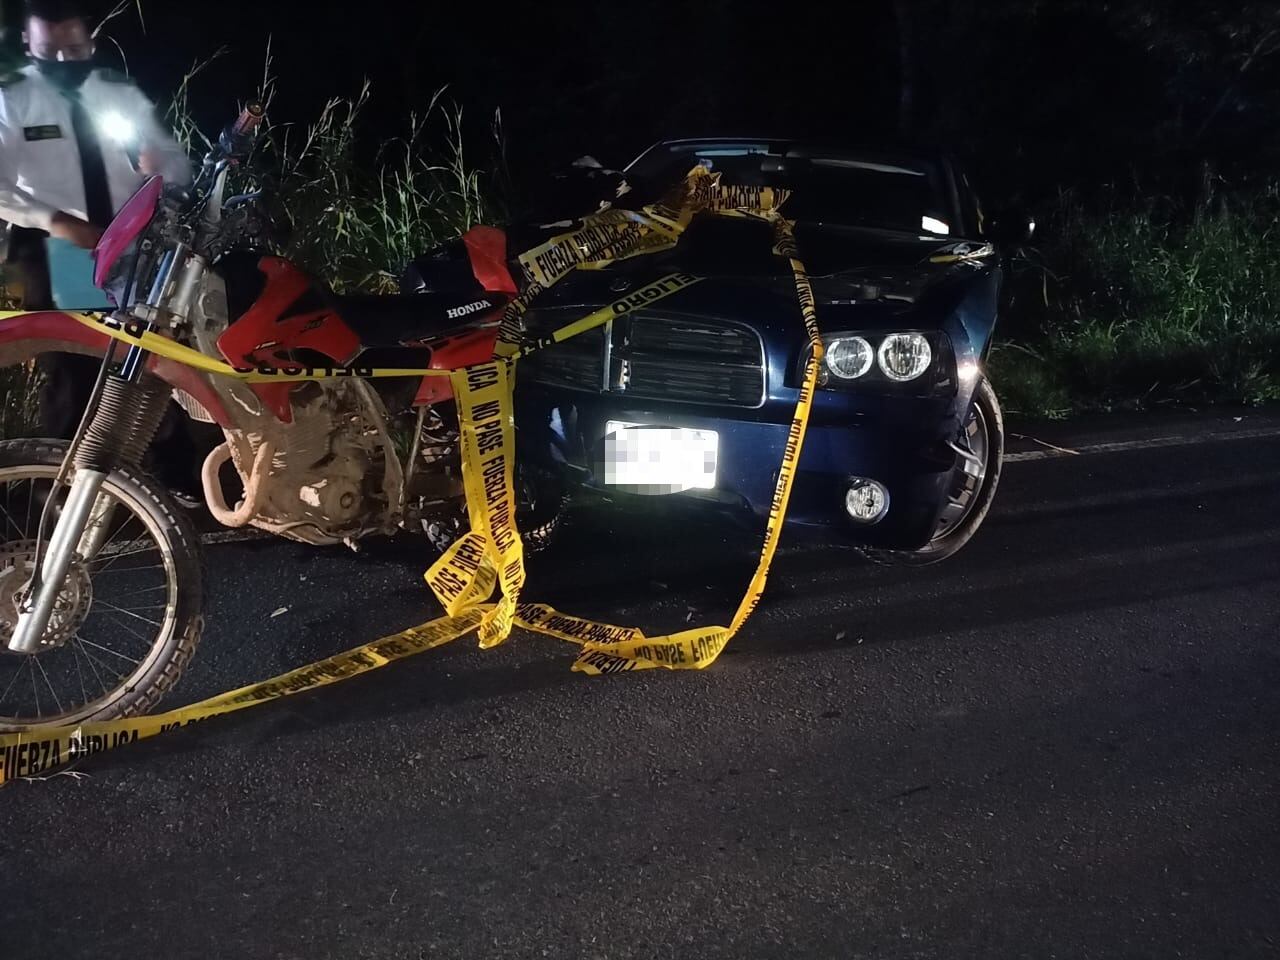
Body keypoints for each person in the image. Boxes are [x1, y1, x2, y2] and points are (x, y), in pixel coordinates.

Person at [0, 0, 202, 505]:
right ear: (29, 45)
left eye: (74, 50)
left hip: (129, 242)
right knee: (69, 368)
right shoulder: (13, 100)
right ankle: (62, 495)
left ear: (89, 42)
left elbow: (175, 159)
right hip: (48, 249)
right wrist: (57, 220)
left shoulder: (115, 90)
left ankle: (175, 479)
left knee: (149, 356)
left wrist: (164, 166)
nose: (65, 63)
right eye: (50, 53)